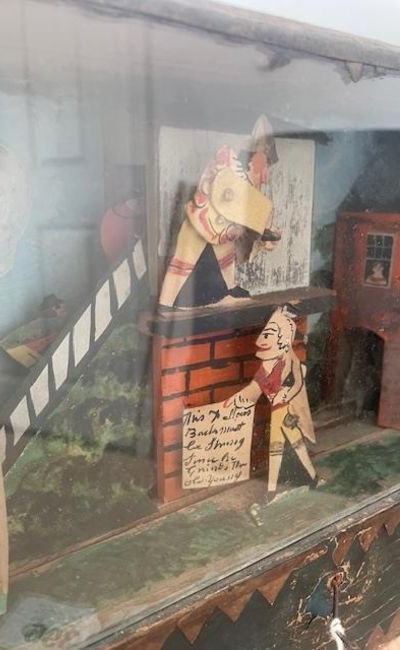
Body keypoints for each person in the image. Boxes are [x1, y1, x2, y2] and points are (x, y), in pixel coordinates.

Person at [159, 116, 280, 309]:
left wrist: (262, 236)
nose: (266, 177)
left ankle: (228, 288)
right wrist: (259, 228)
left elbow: (244, 229)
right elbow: (228, 197)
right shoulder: (228, 162)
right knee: (185, 259)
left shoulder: (247, 181)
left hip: (220, 229)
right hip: (202, 222)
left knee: (225, 256)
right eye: (266, 167)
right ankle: (168, 302)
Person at [225, 306, 317, 503]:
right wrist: (236, 400)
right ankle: (281, 486)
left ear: (282, 339)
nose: (262, 340)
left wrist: (287, 393)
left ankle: (285, 485)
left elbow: (298, 383)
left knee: (289, 448)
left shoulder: (290, 360)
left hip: (285, 411)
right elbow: (254, 388)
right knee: (284, 449)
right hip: (278, 412)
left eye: (270, 334)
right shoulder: (266, 367)